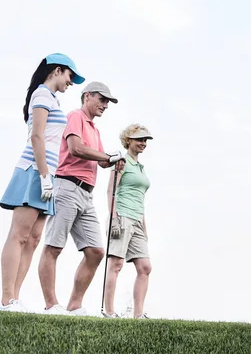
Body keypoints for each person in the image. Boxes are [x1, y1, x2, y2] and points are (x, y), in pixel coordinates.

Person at [0, 53, 85, 313]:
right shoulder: (41, 95)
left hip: (46, 173)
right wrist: (45, 176)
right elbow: (36, 137)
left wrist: (50, 175)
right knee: (19, 235)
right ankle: (6, 298)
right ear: (57, 70)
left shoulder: (53, 100)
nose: (71, 82)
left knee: (34, 238)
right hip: (33, 172)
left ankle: (15, 297)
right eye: (70, 76)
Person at [37, 81, 125, 316]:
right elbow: (75, 148)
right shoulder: (76, 116)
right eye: (102, 99)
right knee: (53, 247)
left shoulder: (94, 130)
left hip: (86, 194)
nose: (105, 105)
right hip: (67, 187)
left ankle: (74, 305)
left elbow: (102, 160)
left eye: (107, 102)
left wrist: (115, 161)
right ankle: (50, 305)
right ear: (87, 96)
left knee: (96, 251)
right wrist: (107, 156)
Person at [102, 124, 153, 319]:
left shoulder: (140, 167)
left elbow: (140, 198)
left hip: (138, 220)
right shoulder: (122, 162)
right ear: (128, 140)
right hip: (122, 216)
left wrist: (144, 226)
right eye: (139, 139)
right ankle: (109, 311)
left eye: (145, 140)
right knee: (116, 264)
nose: (143, 143)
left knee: (145, 267)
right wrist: (113, 218)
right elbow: (110, 190)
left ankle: (138, 315)